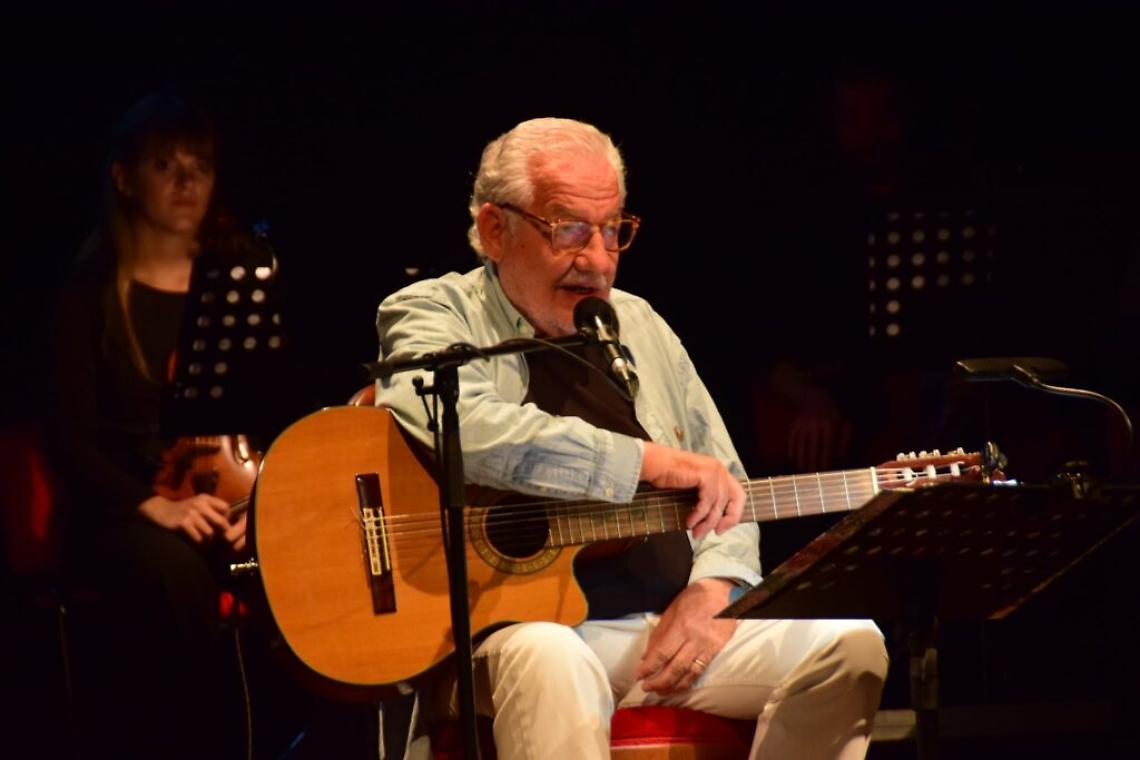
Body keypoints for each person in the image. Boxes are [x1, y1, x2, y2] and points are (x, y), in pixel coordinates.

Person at [375, 117, 889, 760]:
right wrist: (644, 461)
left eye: (612, 229)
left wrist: (714, 590)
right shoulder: (431, 311)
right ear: (493, 229)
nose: (595, 259)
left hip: (653, 630)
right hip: (504, 636)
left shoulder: (639, 323)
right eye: (567, 228)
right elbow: (468, 429)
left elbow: (726, 485)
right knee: (552, 654)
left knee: (851, 643)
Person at [48, 94, 246, 758]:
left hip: (223, 498)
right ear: (125, 178)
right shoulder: (86, 300)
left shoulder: (238, 283)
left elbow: (269, 414)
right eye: (167, 165)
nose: (188, 183)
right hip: (124, 511)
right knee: (175, 572)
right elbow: (69, 440)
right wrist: (153, 505)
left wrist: (262, 501)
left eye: (201, 166)